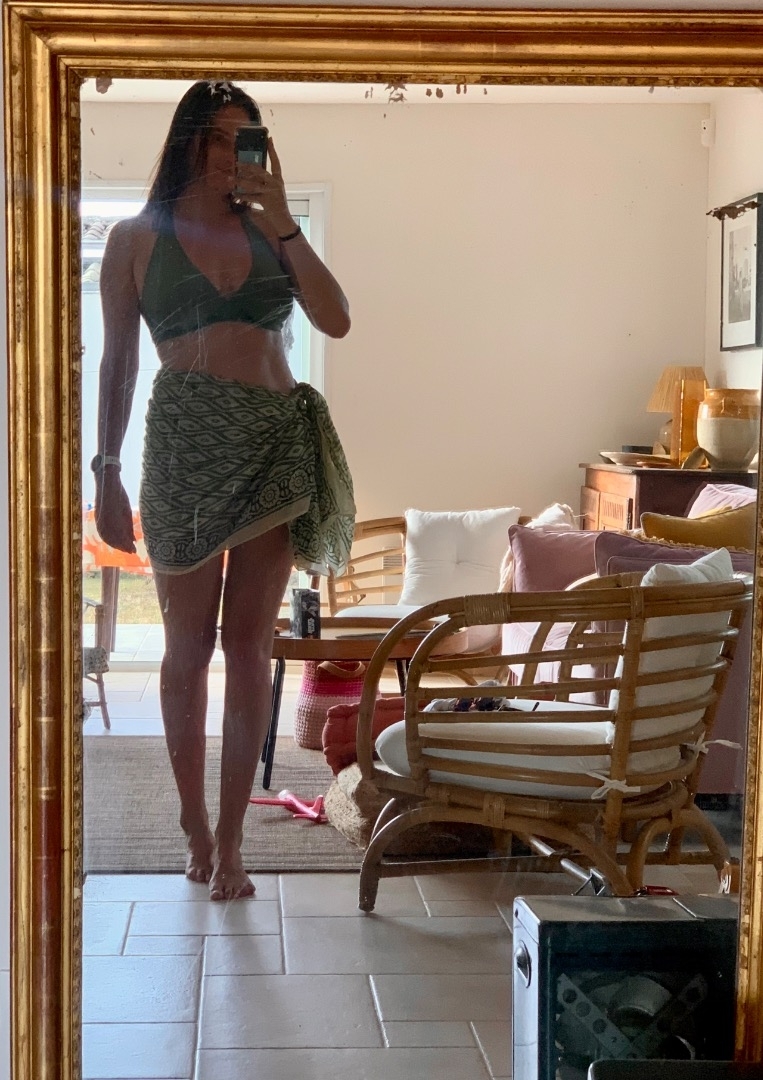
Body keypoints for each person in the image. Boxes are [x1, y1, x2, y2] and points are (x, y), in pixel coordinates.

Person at [92, 80, 355, 901]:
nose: (230, 154)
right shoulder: (135, 239)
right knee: (186, 648)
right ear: (186, 143)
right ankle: (192, 823)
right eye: (217, 137)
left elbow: (336, 319)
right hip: (184, 448)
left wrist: (282, 219)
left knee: (248, 647)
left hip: (274, 444)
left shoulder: (274, 230)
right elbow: (118, 362)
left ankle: (233, 839)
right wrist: (105, 469)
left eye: (247, 138)